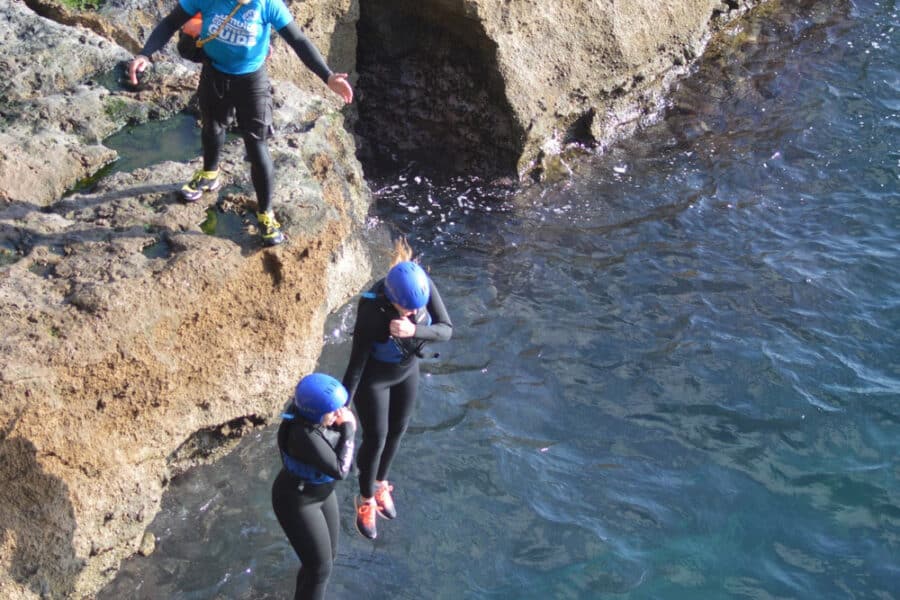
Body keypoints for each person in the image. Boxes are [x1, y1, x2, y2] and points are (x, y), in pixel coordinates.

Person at [128, 0, 353, 246]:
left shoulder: (268, 5)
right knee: (212, 126)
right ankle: (209, 174)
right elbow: (171, 22)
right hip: (214, 73)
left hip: (251, 81)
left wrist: (328, 76)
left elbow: (298, 40)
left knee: (256, 145)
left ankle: (266, 213)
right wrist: (145, 53)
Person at [342, 240, 453, 539]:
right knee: (376, 438)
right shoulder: (372, 311)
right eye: (408, 308)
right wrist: (343, 406)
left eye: (418, 306)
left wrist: (415, 329)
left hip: (406, 369)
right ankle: (364, 500)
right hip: (375, 378)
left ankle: (380, 483)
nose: (414, 310)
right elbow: (356, 364)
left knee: (398, 430)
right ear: (392, 299)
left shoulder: (421, 284)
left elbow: (446, 329)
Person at [271, 372, 356, 600]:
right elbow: (341, 470)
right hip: (297, 501)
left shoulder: (309, 415)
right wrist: (349, 430)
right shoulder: (303, 435)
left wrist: (339, 422)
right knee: (319, 569)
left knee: (325, 559)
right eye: (333, 410)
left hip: (321, 493)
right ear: (315, 413)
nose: (338, 413)